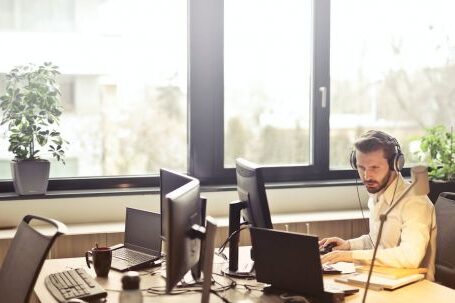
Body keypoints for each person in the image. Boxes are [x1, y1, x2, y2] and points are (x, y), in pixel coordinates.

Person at [319, 130, 437, 281]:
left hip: (414, 288)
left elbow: (410, 257)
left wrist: (350, 256)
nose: (367, 176)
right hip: (383, 279)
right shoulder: (377, 195)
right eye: (361, 168)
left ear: (395, 164)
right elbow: (377, 242)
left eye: (374, 168)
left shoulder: (415, 201)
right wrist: (348, 245)